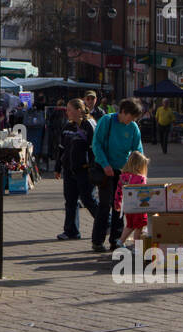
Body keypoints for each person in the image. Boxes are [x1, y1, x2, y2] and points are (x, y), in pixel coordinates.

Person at [90, 98, 144, 253]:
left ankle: (116, 240)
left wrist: (138, 170)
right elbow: (97, 144)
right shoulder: (107, 121)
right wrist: (105, 164)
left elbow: (137, 151)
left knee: (119, 207)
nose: (132, 121)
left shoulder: (133, 128)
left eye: (135, 119)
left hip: (123, 173)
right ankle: (97, 241)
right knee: (105, 204)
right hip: (106, 170)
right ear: (123, 112)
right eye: (131, 117)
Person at [54, 97, 97, 241]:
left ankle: (106, 222)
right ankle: (71, 231)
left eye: (69, 110)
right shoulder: (67, 127)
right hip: (69, 169)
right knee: (70, 200)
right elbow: (62, 149)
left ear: (79, 111)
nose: (67, 113)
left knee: (88, 199)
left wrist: (92, 167)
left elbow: (93, 149)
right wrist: (58, 167)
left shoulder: (89, 126)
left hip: (84, 170)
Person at [115, 151, 150, 248]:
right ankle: (137, 247)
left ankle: (120, 241)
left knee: (130, 225)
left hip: (127, 206)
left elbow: (118, 191)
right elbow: (144, 193)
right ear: (140, 166)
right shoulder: (141, 179)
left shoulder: (123, 177)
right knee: (139, 227)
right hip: (139, 207)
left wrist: (117, 202)